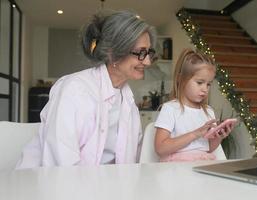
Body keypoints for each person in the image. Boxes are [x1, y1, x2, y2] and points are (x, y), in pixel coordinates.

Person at [16, 10, 157, 169]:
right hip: (48, 187)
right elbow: (61, 166)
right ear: (112, 53)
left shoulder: (128, 100)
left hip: (103, 186)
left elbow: (130, 162)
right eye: (140, 52)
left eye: (149, 52)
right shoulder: (74, 90)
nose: (147, 62)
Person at [154, 49, 234, 162]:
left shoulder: (208, 111)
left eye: (208, 84)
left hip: (201, 164)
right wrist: (196, 134)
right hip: (174, 168)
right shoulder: (170, 108)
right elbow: (160, 148)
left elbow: (208, 148)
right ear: (181, 79)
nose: (205, 89)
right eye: (200, 82)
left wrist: (219, 137)